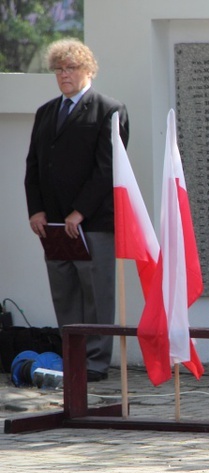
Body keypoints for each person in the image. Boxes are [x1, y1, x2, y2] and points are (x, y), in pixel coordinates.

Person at [25, 38, 129, 382]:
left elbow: (108, 167)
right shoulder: (45, 112)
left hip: (93, 222)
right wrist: (36, 210)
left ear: (88, 69)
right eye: (58, 69)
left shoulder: (109, 109)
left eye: (70, 68)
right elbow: (34, 165)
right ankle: (73, 358)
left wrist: (80, 211)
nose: (63, 75)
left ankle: (96, 363)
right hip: (53, 223)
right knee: (65, 292)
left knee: (95, 294)